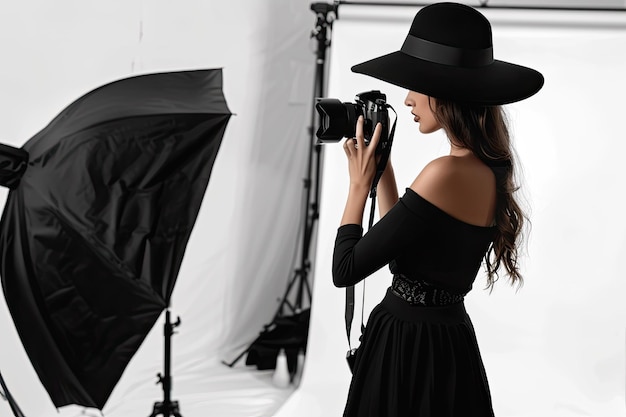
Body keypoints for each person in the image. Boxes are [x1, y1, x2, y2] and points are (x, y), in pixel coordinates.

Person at [331, 3, 544, 417]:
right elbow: (401, 250)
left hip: (407, 346)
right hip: (448, 344)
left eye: (416, 85)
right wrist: (383, 170)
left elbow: (347, 268)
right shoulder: (485, 170)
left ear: (444, 91)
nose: (408, 99)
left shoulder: (444, 173)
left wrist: (358, 187)